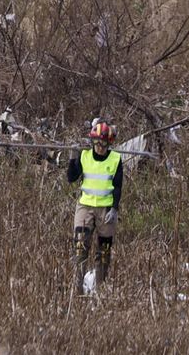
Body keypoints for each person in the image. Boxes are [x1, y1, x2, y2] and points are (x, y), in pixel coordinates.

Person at [67, 120, 123, 289]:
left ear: (109, 143)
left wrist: (114, 208)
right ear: (92, 142)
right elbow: (71, 178)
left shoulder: (115, 159)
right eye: (97, 143)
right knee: (80, 246)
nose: (100, 147)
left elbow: (118, 186)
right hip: (85, 206)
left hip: (106, 209)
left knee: (104, 251)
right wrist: (72, 158)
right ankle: (77, 287)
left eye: (104, 144)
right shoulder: (84, 156)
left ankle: (100, 288)